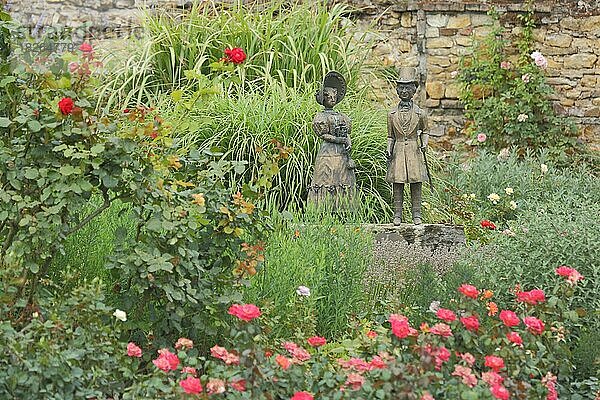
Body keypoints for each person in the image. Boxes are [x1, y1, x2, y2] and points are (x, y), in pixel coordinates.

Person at [386, 66, 429, 225]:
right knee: (398, 182)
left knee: (416, 182)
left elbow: (425, 131)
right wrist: (388, 149)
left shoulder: (421, 113)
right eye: (401, 88)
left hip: (413, 149)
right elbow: (390, 136)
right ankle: (397, 214)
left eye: (408, 88)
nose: (404, 91)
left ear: (413, 90)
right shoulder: (391, 114)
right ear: (397, 90)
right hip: (398, 150)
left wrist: (424, 143)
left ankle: (416, 214)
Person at [307, 71, 356, 206]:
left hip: (342, 154)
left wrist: (348, 141)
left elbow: (347, 133)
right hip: (327, 152)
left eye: (334, 96)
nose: (332, 98)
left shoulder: (342, 116)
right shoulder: (320, 117)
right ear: (324, 98)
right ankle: (324, 208)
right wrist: (339, 140)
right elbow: (323, 135)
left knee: (342, 178)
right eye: (329, 96)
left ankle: (343, 207)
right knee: (326, 177)